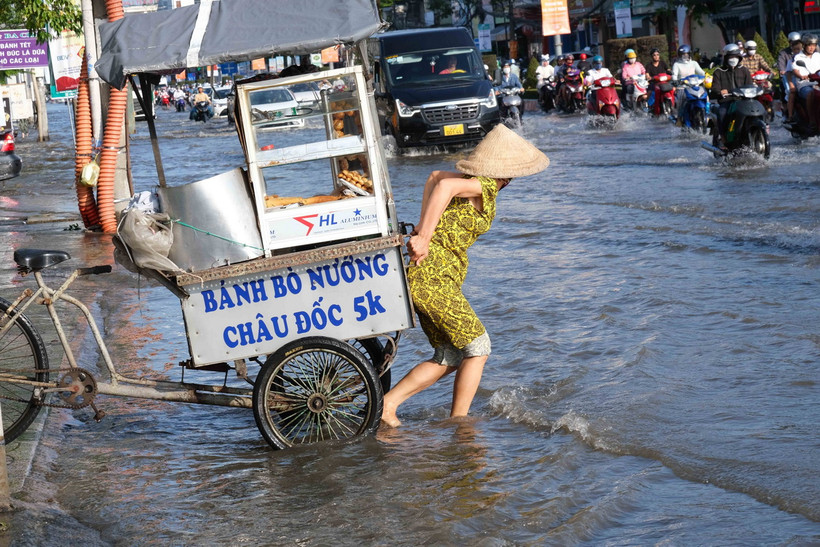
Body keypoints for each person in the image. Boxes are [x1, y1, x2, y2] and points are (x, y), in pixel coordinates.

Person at [380, 124, 550, 428]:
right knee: (479, 346)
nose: (509, 181)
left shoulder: (469, 181)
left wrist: (422, 227)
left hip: (431, 276)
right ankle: (460, 422)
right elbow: (443, 188)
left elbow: (434, 178)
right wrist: (425, 236)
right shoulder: (484, 185)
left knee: (450, 354)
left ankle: (388, 405)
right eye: (510, 175)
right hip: (434, 277)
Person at [710, 44, 752, 147]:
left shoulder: (744, 70)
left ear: (739, 58)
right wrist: (720, 92)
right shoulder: (719, 72)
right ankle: (723, 138)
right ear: (726, 58)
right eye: (731, 57)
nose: (733, 59)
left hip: (743, 101)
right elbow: (714, 89)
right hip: (727, 101)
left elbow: (750, 85)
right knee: (722, 114)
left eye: (735, 57)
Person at [786, 33, 820, 129]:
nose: (812, 48)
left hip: (818, 82)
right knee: (811, 93)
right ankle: (812, 119)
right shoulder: (797, 57)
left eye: (814, 45)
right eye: (809, 45)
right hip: (804, 84)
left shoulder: (818, 56)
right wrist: (801, 76)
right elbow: (795, 70)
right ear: (804, 45)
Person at [671, 45, 705, 121]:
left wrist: (706, 76)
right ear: (679, 55)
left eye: (686, 54)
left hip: (694, 87)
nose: (685, 56)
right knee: (681, 104)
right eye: (683, 54)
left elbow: (701, 73)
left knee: (705, 96)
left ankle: (707, 112)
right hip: (682, 88)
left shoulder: (694, 63)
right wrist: (676, 81)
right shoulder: (676, 64)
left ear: (689, 54)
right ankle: (679, 118)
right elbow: (674, 76)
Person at [778, 32, 803, 117]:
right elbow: (782, 66)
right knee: (789, 92)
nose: (797, 49)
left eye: (798, 43)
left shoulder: (804, 54)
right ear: (790, 43)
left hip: (804, 78)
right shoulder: (784, 53)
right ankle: (789, 113)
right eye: (794, 43)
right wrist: (783, 70)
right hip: (789, 77)